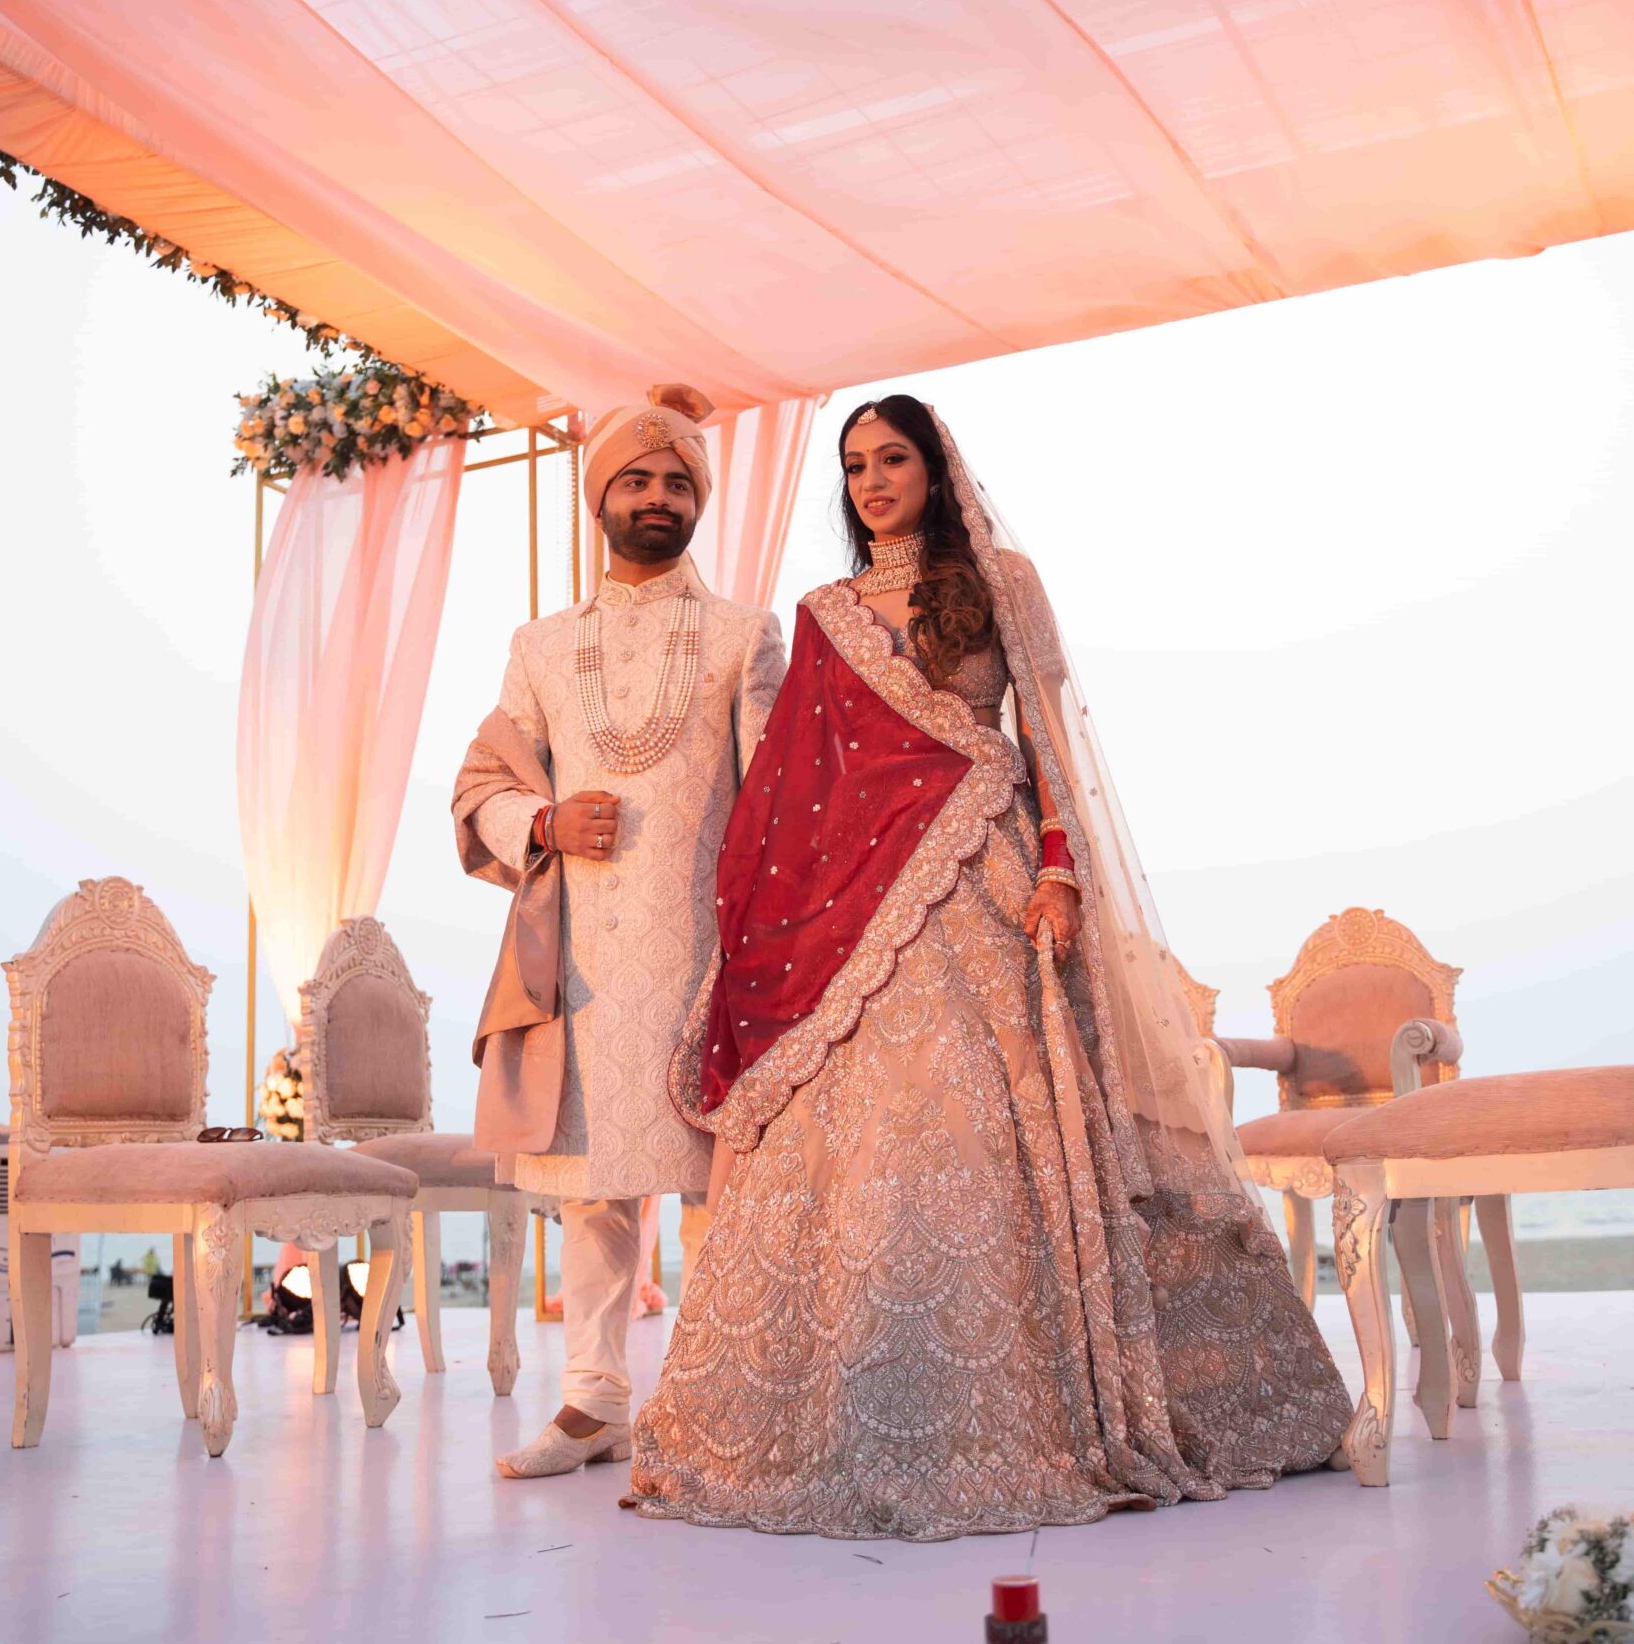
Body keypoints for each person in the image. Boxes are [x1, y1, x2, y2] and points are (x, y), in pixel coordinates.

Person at [627, 397, 1354, 1540]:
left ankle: (1052, 1413)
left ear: (936, 468)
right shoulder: (822, 615)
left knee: (992, 1122)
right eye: (855, 465)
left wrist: (1058, 866)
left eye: (893, 460)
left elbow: (1048, 740)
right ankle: (851, 1418)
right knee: (872, 1142)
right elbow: (791, 783)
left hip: (989, 878)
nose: (872, 483)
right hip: (855, 912)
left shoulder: (1001, 582)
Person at [453, 384, 786, 1479]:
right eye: (636, 480)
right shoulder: (542, 646)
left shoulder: (746, 634)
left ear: (700, 503)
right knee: (596, 1179)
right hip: (583, 947)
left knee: (716, 1180)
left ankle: (712, 1403)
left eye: (678, 482)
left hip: (709, 949)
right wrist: (544, 820)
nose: (657, 497)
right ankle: (593, 1401)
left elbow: (779, 801)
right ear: (601, 497)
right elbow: (483, 783)